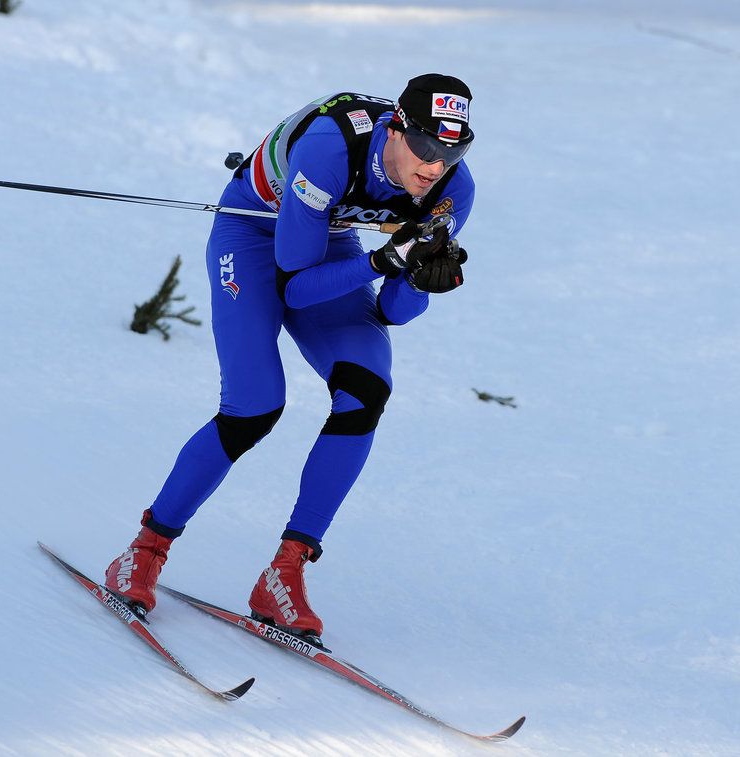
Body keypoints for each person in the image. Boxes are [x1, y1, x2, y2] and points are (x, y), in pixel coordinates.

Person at [103, 74, 475, 646]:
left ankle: (284, 574)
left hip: (331, 247)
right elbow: (295, 287)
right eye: (426, 146)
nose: (435, 166)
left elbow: (395, 313)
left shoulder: (454, 189)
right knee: (254, 407)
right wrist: (382, 262)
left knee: (366, 391)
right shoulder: (332, 146)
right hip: (253, 239)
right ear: (396, 129)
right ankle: (145, 551)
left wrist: (420, 275)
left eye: (452, 151)